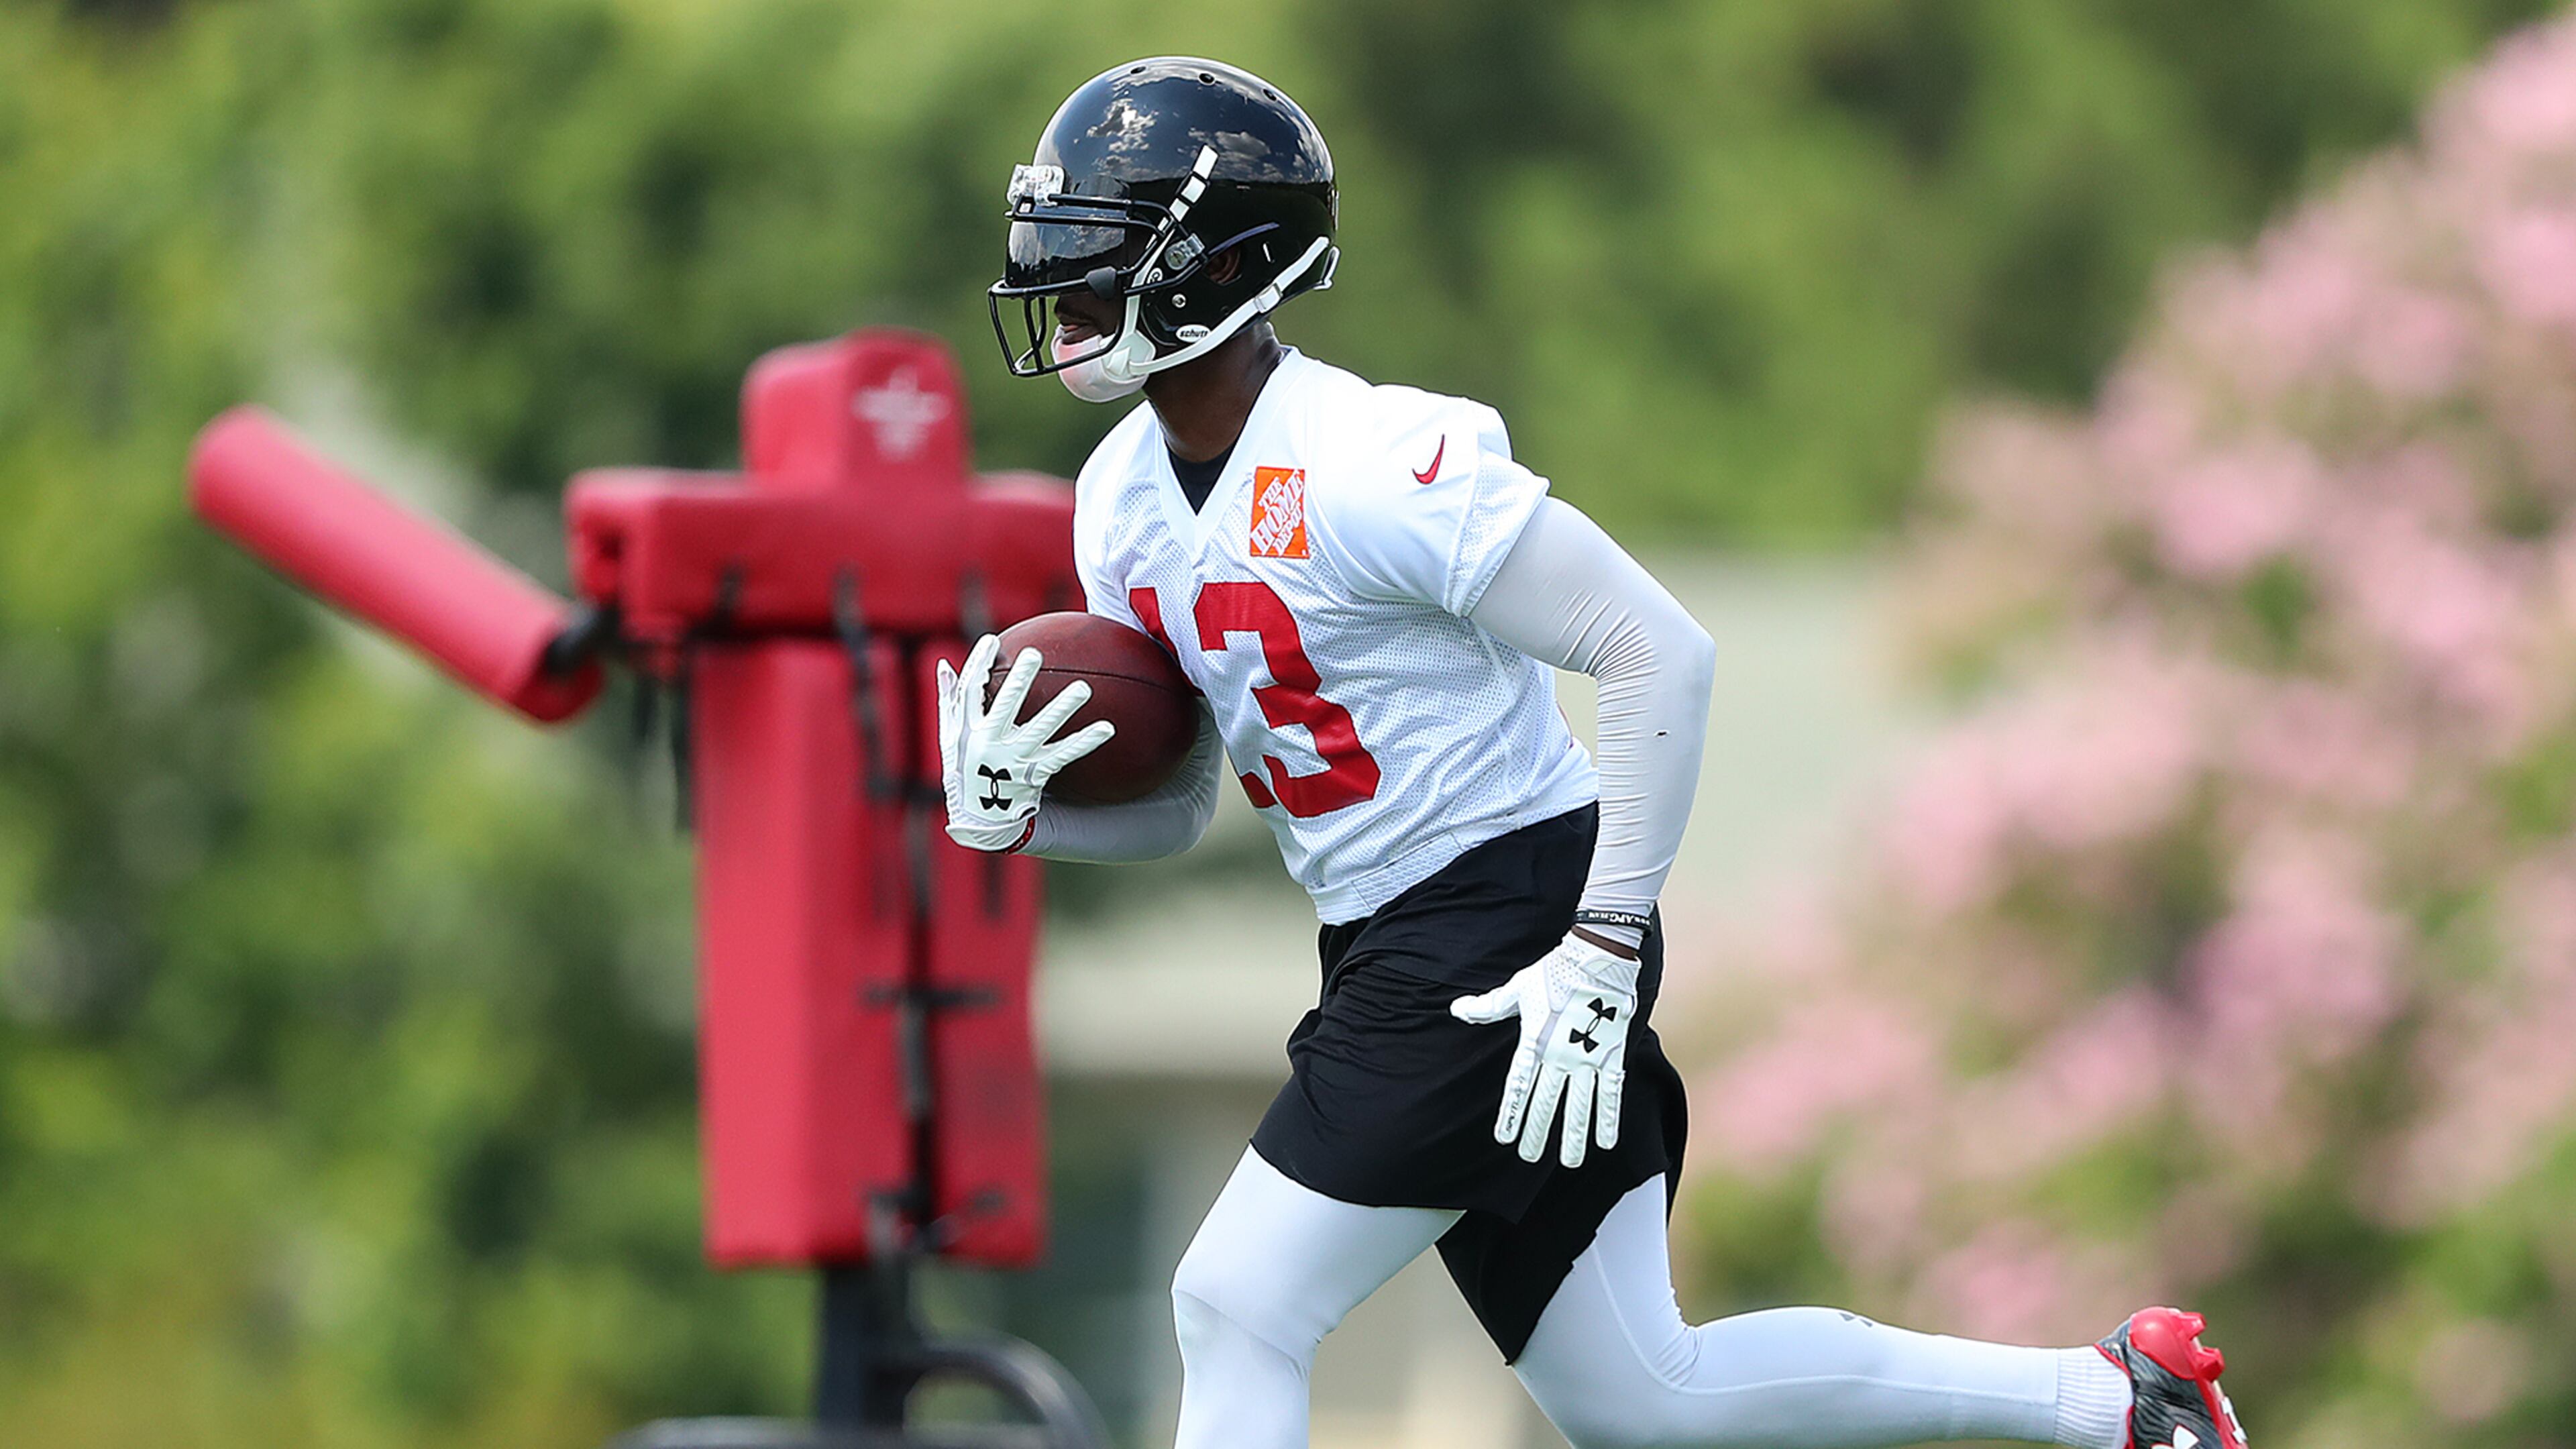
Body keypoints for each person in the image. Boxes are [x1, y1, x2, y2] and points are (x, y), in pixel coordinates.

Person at [938, 56, 2247, 1449]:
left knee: (1236, 1303)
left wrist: (1605, 947)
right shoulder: (1118, 502)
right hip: (1393, 930)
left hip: (1507, 919)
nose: (1060, 291)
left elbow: (1657, 650)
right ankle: (2117, 1401)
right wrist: (1031, 819)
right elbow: (1190, 796)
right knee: (1642, 1397)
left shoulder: (1371, 462)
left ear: (1226, 265)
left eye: (1099, 255)